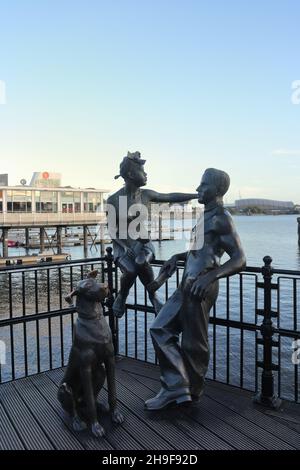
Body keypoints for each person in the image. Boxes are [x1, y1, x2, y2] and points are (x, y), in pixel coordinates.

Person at [145, 168, 246, 411]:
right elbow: (198, 251)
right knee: (160, 328)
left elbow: (239, 258)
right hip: (187, 283)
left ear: (217, 190)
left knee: (194, 342)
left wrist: (211, 276)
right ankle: (178, 387)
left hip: (201, 285)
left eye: (203, 185)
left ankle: (188, 390)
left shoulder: (222, 217)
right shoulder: (204, 216)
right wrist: (176, 256)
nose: (198, 189)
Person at [107, 151, 198, 317]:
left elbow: (170, 196)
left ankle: (153, 295)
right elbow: (111, 229)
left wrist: (196, 195)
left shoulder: (146, 195)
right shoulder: (113, 199)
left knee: (141, 262)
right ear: (130, 174)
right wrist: (123, 247)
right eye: (142, 171)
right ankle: (123, 295)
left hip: (142, 244)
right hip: (123, 245)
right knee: (130, 270)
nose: (146, 174)